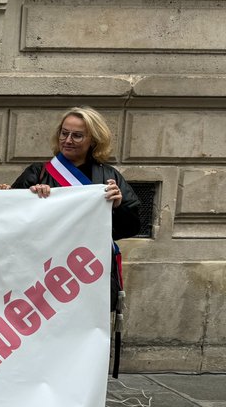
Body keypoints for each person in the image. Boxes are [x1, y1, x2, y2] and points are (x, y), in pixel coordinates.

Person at [11, 106, 141, 303]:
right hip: (44, 273)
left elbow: (132, 226)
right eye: (64, 133)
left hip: (88, 273)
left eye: (77, 136)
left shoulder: (108, 176)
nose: (68, 140)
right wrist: (31, 199)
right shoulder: (37, 173)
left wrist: (118, 206)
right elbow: (10, 218)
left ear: (93, 140)